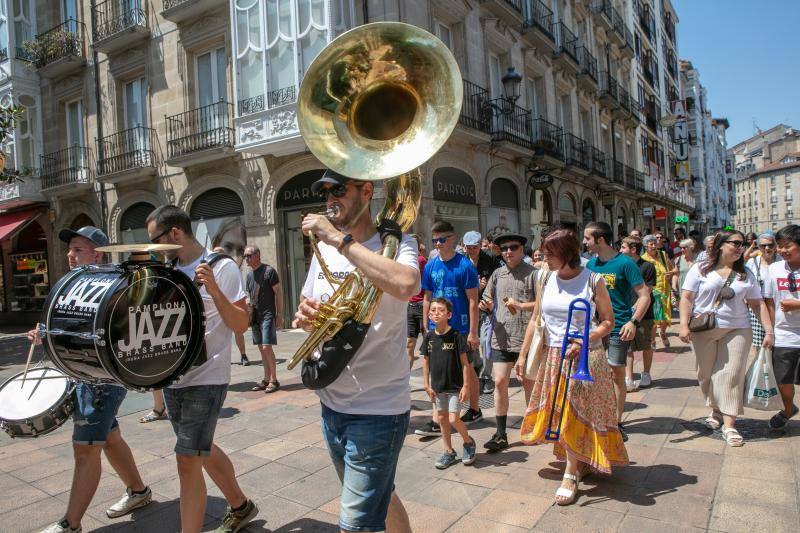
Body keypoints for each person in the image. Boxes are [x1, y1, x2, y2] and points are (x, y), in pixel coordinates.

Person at [294, 169, 417, 532]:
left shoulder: (398, 243)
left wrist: (339, 239)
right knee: (383, 494)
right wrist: (306, 314)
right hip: (331, 402)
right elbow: (307, 300)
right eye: (325, 192)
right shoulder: (322, 252)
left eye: (338, 190)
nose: (330, 198)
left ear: (366, 191)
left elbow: (407, 284)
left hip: (379, 409)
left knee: (356, 524)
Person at [146, 206, 258, 532]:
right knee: (200, 449)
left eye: (156, 240)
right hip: (173, 376)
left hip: (207, 376)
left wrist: (214, 290)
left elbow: (240, 322)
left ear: (175, 234)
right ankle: (240, 506)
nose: (153, 247)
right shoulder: (167, 270)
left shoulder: (221, 267)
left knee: (186, 460)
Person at [37, 227, 153, 533]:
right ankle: (139, 491)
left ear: (97, 254)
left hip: (105, 378)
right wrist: (45, 331)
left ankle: (70, 523)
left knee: (86, 447)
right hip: (82, 372)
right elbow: (66, 319)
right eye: (70, 250)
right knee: (110, 438)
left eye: (78, 250)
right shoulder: (76, 283)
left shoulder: (115, 284)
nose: (70, 256)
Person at [519, 229, 627, 506]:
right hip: (555, 354)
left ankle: (570, 474)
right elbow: (535, 319)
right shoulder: (544, 277)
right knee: (562, 412)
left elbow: (608, 322)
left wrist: (584, 338)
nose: (545, 258)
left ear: (567, 253)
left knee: (573, 412)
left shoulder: (593, 280)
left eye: (550, 253)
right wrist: (522, 356)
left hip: (585, 356)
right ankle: (579, 459)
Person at [679, 230, 773, 447]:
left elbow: (757, 304)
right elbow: (686, 297)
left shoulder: (745, 274)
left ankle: (730, 424)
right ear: (721, 245)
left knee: (731, 375)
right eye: (736, 243)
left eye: (743, 244)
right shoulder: (701, 269)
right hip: (704, 329)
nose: (741, 248)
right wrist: (683, 325)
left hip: (738, 329)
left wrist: (769, 331)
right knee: (706, 374)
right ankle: (715, 408)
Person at [584, 222, 650, 441]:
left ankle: (616, 421)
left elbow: (644, 295)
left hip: (618, 327)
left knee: (616, 373)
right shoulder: (590, 265)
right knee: (594, 373)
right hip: (595, 328)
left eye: (587, 238)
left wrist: (633, 322)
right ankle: (598, 416)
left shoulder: (625, 264)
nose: (584, 242)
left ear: (600, 240)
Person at [417, 220, 482, 437]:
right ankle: (438, 418)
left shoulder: (465, 266)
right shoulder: (430, 266)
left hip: (461, 327)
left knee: (467, 367)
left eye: (441, 239)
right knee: (438, 370)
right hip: (438, 327)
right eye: (434, 240)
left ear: (452, 239)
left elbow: (473, 301)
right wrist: (425, 324)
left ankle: (474, 409)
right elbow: (427, 296)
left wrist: (473, 332)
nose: (437, 244)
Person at [479, 233, 537, 452]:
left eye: (513, 247)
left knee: (528, 384)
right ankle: (501, 433)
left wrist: (522, 306)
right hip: (501, 337)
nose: (508, 252)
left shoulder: (534, 274)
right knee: (500, 382)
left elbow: (542, 304)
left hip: (527, 339)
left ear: (522, 249)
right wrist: (486, 305)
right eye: (504, 249)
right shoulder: (497, 273)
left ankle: (532, 427)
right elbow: (488, 298)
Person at [421, 297, 477, 469]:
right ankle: (448, 451)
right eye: (433, 310)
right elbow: (425, 361)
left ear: (449, 314)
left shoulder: (456, 336)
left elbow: (465, 364)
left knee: (453, 418)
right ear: (429, 315)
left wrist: (466, 386)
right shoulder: (429, 337)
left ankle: (468, 442)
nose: (436, 313)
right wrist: (426, 384)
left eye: (440, 310)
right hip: (437, 387)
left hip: (454, 387)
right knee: (442, 419)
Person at [764, 225, 800, 429]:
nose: (783, 250)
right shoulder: (774, 269)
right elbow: (768, 302)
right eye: (780, 246)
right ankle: (788, 409)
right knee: (783, 380)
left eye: (788, 246)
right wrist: (770, 331)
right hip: (784, 334)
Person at [462, 230, 500, 394]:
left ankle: (485, 377)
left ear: (480, 246)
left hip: (485, 308)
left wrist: (486, 288)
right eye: (468, 247)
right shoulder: (461, 261)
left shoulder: (490, 260)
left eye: (475, 247)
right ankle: (477, 368)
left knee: (486, 342)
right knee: (471, 343)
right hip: (467, 308)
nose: (471, 250)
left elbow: (498, 281)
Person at [244, 245, 282, 392]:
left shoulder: (269, 271)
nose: (246, 258)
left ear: (257, 255)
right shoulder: (249, 275)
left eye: (249, 255)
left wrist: (279, 314)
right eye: (245, 256)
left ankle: (274, 380)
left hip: (267, 314)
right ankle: (266, 379)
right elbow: (249, 295)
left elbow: (278, 293)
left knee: (267, 347)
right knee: (261, 348)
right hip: (256, 316)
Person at [620, 237, 656, 389]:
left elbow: (647, 291)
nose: (620, 250)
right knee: (627, 346)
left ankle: (646, 373)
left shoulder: (647, 267)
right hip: (625, 313)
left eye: (623, 247)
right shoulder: (622, 266)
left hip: (644, 314)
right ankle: (629, 378)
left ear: (633, 249)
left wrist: (635, 309)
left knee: (645, 345)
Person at [642, 234, 677, 348]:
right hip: (653, 293)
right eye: (650, 244)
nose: (653, 246)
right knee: (655, 318)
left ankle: (662, 333)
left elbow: (675, 269)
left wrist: (671, 273)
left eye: (654, 244)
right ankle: (652, 340)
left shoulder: (662, 255)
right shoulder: (643, 259)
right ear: (645, 246)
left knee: (665, 318)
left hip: (665, 291)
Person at [745, 233, 777, 349]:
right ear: (758, 247)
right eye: (763, 245)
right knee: (759, 345)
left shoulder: (781, 261)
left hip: (777, 306)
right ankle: (759, 367)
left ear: (775, 246)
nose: (767, 248)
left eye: (770, 245)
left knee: (777, 342)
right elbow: (746, 283)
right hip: (758, 307)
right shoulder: (752, 262)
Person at [406, 234, 428, 369]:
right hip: (411, 305)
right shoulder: (414, 259)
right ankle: (407, 378)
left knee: (425, 342)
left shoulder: (420, 260)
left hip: (421, 304)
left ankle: (429, 377)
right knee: (410, 343)